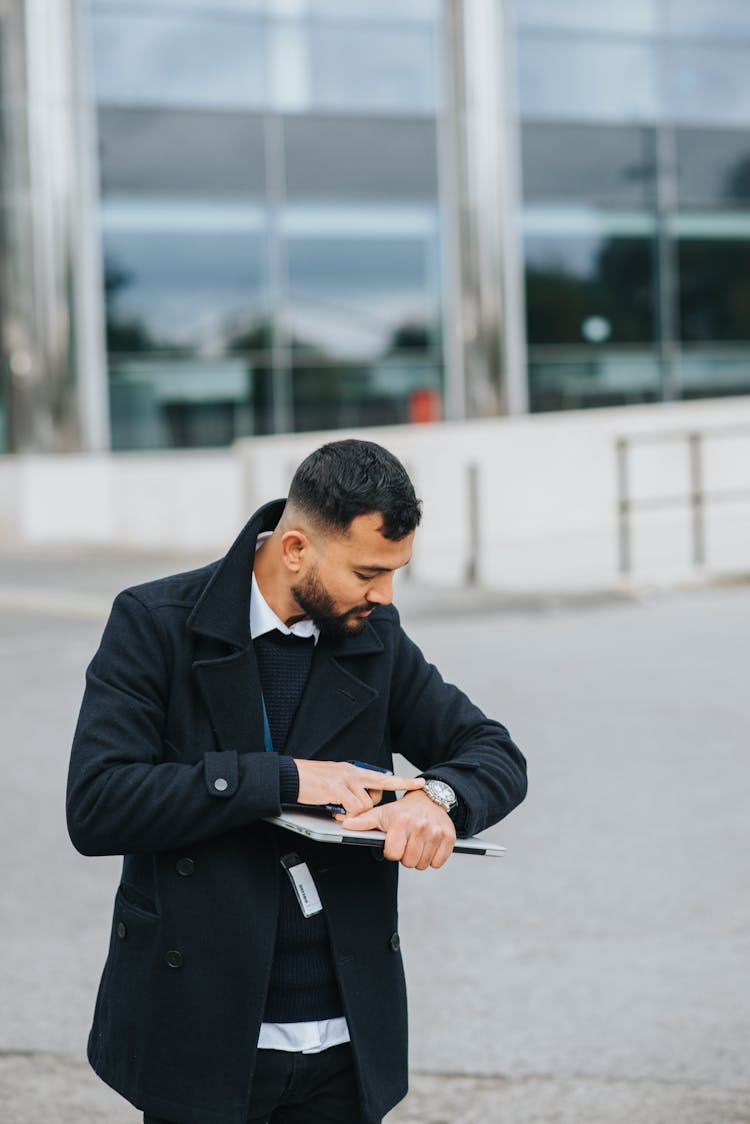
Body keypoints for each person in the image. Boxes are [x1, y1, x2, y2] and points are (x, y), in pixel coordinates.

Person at [66, 438, 527, 1124]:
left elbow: (491, 751)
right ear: (294, 551)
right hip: (201, 1028)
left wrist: (440, 800)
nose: (386, 593)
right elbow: (98, 803)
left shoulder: (374, 635)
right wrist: (281, 779)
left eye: (396, 572)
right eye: (369, 571)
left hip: (344, 1043)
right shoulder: (155, 623)